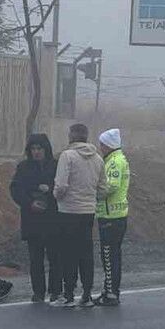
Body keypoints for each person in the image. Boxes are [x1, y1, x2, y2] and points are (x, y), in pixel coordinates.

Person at [53, 123, 106, 308]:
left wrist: (56, 198)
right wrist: (90, 198)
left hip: (68, 211)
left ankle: (68, 295)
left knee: (68, 253)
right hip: (88, 212)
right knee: (86, 253)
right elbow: (103, 188)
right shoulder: (98, 159)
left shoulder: (67, 156)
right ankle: (87, 294)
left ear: (72, 136)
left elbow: (61, 185)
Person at [9, 133, 60, 303]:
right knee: (35, 259)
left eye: (39, 148)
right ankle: (38, 292)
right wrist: (29, 203)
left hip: (53, 218)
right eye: (33, 149)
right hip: (33, 219)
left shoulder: (55, 166)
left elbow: (64, 187)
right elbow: (16, 190)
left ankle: (55, 290)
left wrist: (51, 189)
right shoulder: (24, 168)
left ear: (46, 149)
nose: (36, 152)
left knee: (55, 257)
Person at [95, 128, 130, 306]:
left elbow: (111, 186)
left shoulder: (114, 162)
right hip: (116, 215)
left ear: (108, 145)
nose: (100, 147)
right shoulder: (117, 159)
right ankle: (109, 290)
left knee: (109, 256)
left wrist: (95, 193)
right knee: (112, 256)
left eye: (102, 144)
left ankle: (111, 293)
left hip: (111, 216)